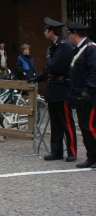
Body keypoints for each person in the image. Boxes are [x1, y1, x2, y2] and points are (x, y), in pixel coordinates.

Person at [29, 17, 77, 162]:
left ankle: (72, 152)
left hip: (62, 89)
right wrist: (37, 78)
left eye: (45, 30)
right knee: (55, 123)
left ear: (51, 31)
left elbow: (53, 67)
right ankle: (56, 151)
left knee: (66, 122)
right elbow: (48, 69)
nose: (43, 32)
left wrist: (49, 58)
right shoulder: (53, 46)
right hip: (53, 89)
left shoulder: (64, 45)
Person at [66, 21, 96, 168]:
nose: (68, 37)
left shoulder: (90, 49)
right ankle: (91, 157)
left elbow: (94, 72)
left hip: (90, 96)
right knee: (84, 127)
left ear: (74, 34)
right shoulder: (79, 49)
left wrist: (87, 90)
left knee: (91, 127)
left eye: (69, 34)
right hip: (79, 95)